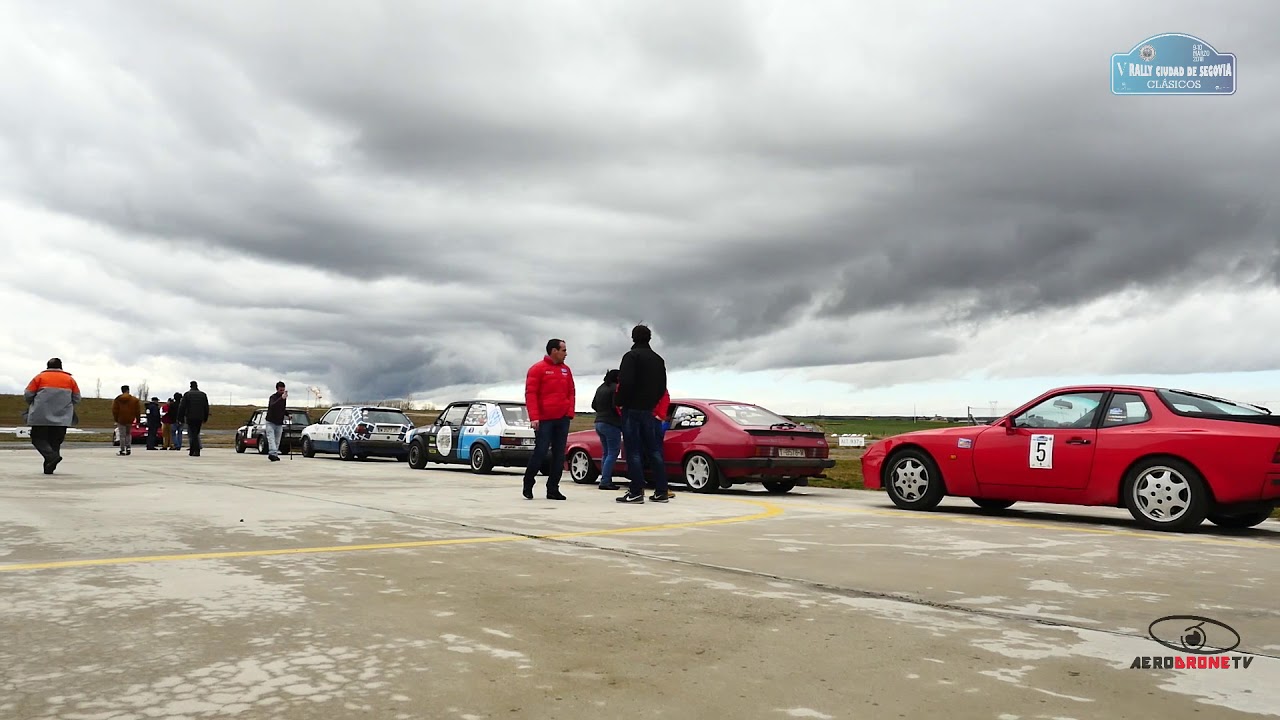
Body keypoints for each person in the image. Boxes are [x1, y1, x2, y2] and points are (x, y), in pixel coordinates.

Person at [615, 324, 670, 503]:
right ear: (649, 338)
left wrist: (621, 402)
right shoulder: (658, 359)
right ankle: (662, 491)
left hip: (632, 408)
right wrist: (652, 402)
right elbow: (662, 386)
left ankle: (636, 491)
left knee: (634, 451)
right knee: (654, 450)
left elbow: (625, 382)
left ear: (633, 338)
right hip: (649, 410)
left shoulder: (631, 357)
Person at [521, 338, 574, 500]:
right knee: (541, 452)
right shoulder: (537, 369)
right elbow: (531, 395)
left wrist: (569, 412)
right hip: (544, 420)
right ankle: (528, 482)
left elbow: (571, 391)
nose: (566, 353)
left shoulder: (566, 370)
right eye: (563, 350)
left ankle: (553, 488)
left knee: (559, 454)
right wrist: (534, 417)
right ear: (554, 351)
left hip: (562, 418)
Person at [23, 358, 81, 474]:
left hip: (41, 416)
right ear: (61, 367)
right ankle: (49, 467)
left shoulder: (39, 378)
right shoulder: (70, 380)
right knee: (55, 442)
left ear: (47, 366)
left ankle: (51, 458)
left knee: (38, 439)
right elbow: (77, 398)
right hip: (62, 418)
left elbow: (28, 395)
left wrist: (35, 404)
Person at [590, 369, 623, 491]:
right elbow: (617, 406)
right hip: (611, 423)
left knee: (606, 452)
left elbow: (593, 405)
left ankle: (605, 478)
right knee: (613, 452)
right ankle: (605, 480)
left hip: (599, 422)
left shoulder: (600, 388)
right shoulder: (615, 388)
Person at [178, 381, 210, 456]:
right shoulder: (203, 395)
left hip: (190, 417)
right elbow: (206, 407)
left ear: (190, 386)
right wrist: (205, 417)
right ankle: (193, 450)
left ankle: (195, 450)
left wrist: (180, 418)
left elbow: (182, 407)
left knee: (192, 433)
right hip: (199, 417)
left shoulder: (187, 394)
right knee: (196, 433)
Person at [111, 385, 142, 456]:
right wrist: (138, 420)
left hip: (121, 419)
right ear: (128, 390)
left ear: (122, 390)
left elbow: (114, 410)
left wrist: (116, 419)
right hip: (130, 419)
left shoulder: (118, 399)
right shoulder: (134, 400)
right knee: (128, 434)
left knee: (122, 435)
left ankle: (122, 450)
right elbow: (138, 411)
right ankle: (128, 448)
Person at [264, 381, 288, 461]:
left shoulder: (283, 399)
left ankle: (273, 454)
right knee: (271, 438)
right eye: (281, 390)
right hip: (270, 421)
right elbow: (273, 406)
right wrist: (281, 398)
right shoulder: (273, 397)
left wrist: (287, 414)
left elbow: (282, 408)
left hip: (279, 422)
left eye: (283, 390)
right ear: (277, 389)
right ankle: (273, 452)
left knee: (277, 440)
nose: (282, 392)